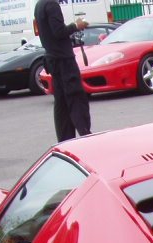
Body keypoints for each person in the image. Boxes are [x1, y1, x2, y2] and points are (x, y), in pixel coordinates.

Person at [34, 0, 91, 142]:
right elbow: (58, 31)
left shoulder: (39, 5)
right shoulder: (52, 5)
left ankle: (65, 139)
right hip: (64, 60)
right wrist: (76, 26)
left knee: (61, 102)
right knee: (76, 97)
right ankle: (85, 134)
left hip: (52, 59)